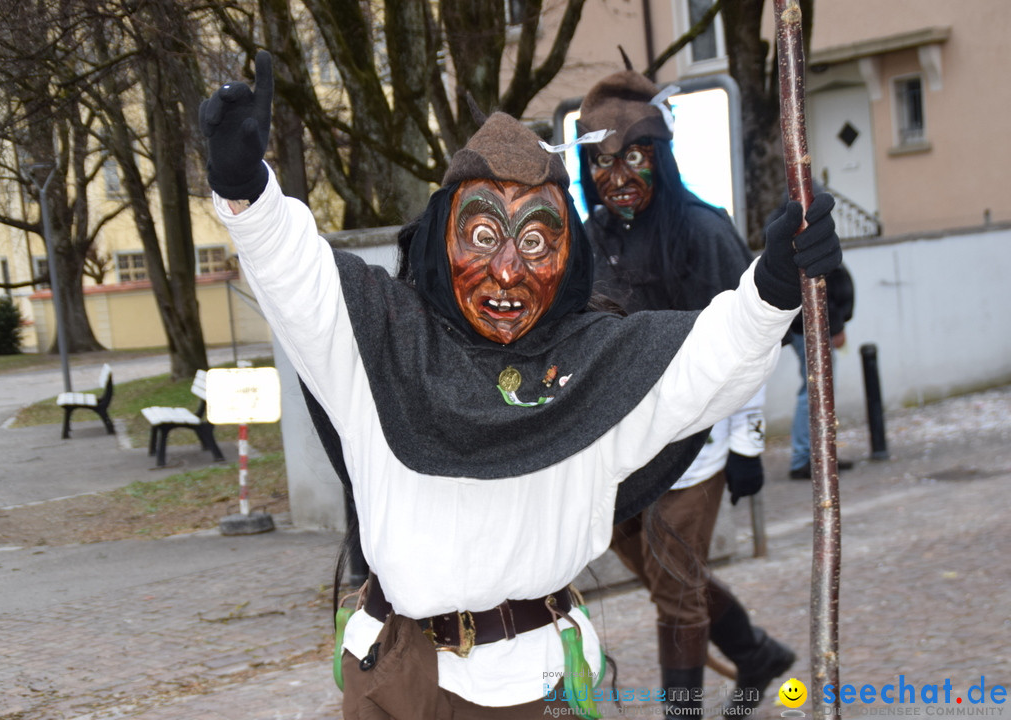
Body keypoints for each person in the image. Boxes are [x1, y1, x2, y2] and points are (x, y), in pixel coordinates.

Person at [199, 51, 841, 719]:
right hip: (400, 680)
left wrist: (772, 286)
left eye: (535, 242)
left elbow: (707, 356)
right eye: (482, 235)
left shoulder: (595, 366)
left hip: (536, 684)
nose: (507, 271)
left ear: (567, 260)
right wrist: (247, 188)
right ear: (440, 241)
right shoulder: (379, 342)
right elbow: (300, 274)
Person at [575, 69, 796, 718]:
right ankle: (756, 655)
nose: (615, 176)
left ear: (659, 157)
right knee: (667, 575)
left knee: (674, 590)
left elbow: (755, 341)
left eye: (631, 158)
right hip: (622, 448)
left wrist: (750, 443)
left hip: (697, 443)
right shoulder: (589, 241)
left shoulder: (703, 231)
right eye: (599, 163)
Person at [788, 262, 855, 479]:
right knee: (815, 390)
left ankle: (821, 455)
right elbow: (820, 288)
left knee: (818, 390)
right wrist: (835, 326)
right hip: (812, 325)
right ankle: (804, 458)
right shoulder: (804, 239)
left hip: (813, 324)